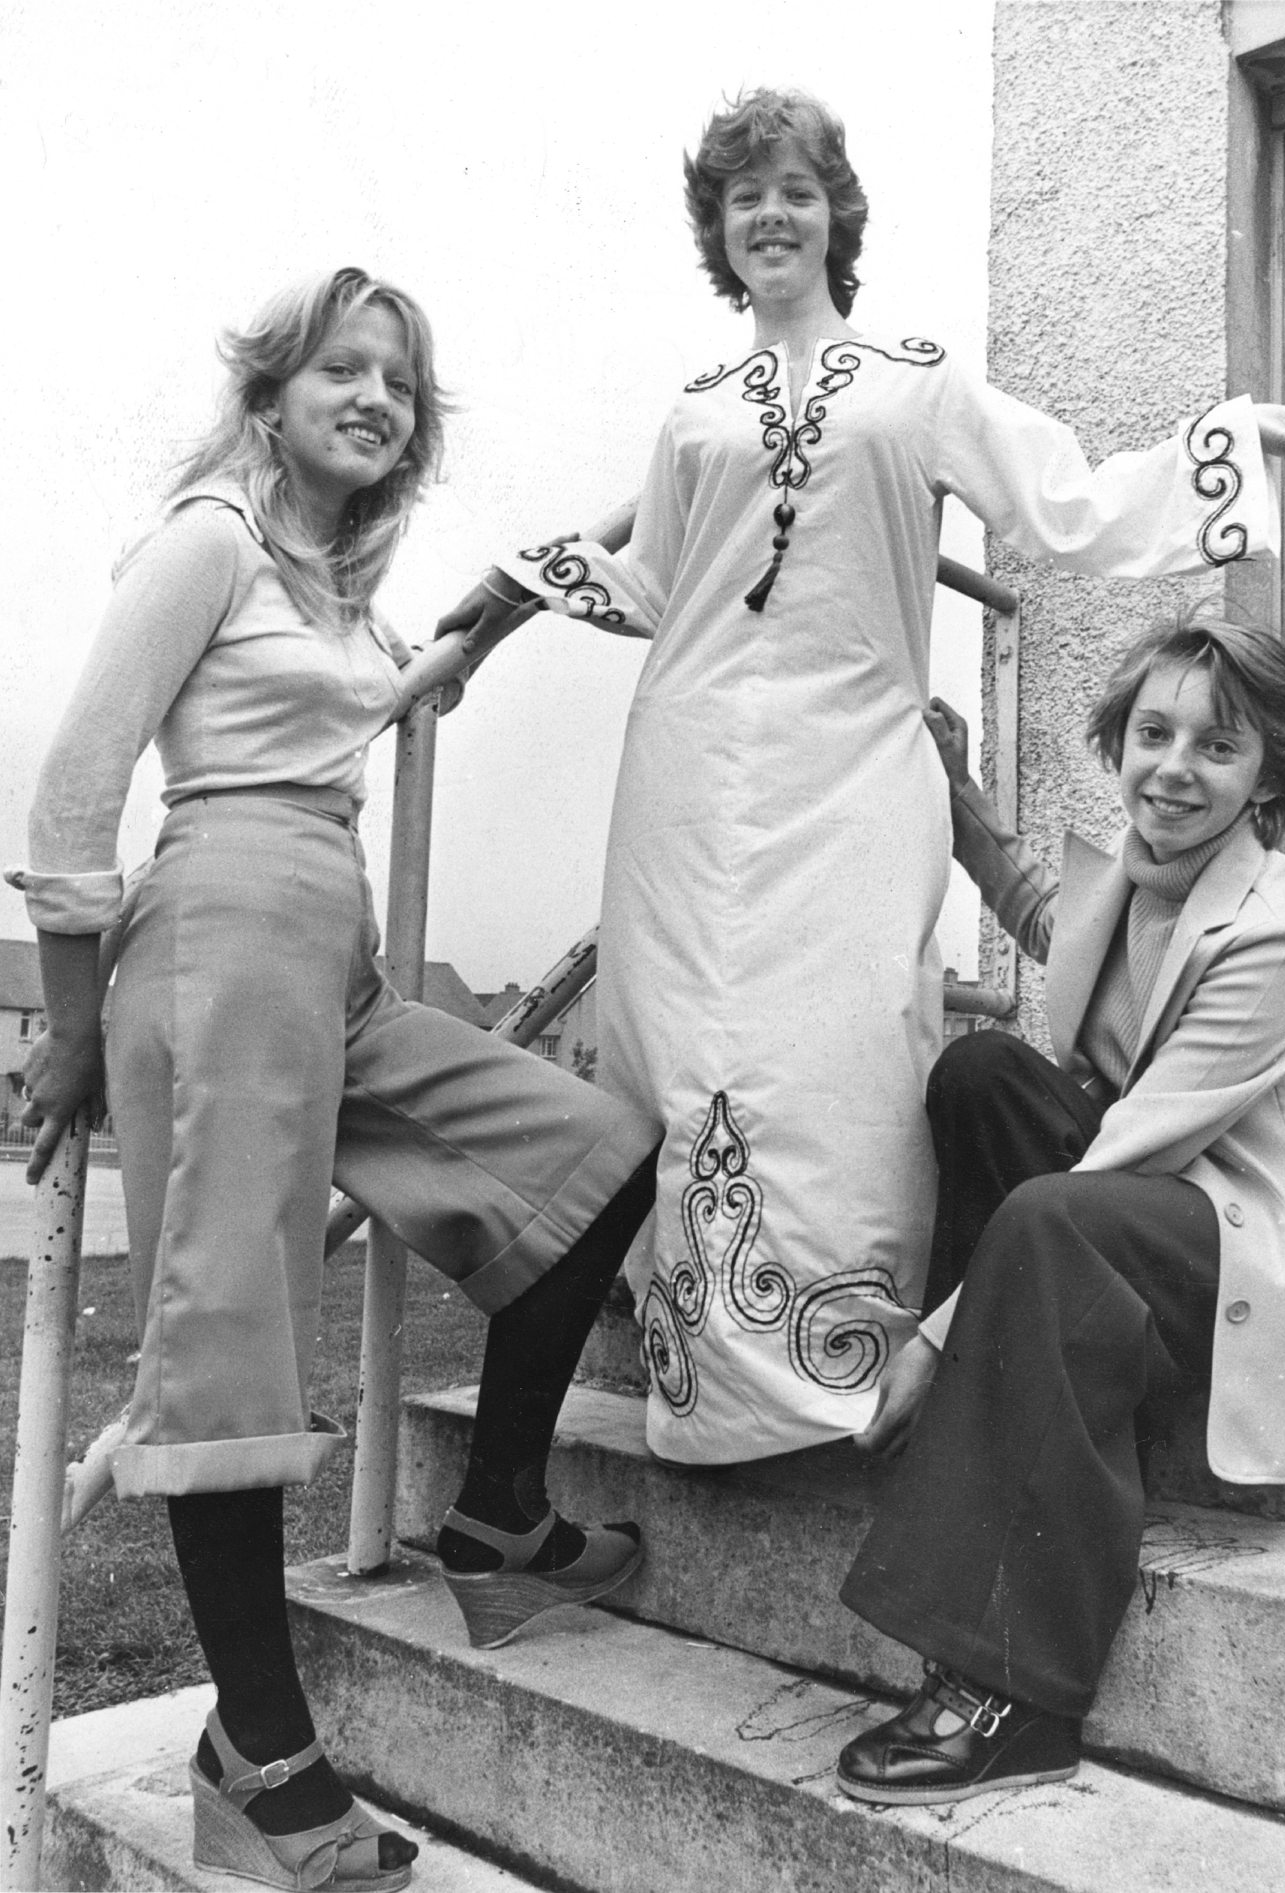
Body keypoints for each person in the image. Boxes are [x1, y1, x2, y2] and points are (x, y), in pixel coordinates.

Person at [437, 88, 1285, 1468]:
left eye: (797, 191)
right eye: (746, 198)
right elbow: (662, 579)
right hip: (687, 768)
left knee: (839, 1050)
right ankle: (718, 1399)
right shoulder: (691, 413)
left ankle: (844, 1371)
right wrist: (511, 587)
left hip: (857, 766)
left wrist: (1226, 450)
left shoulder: (916, 384)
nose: (772, 216)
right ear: (719, 232)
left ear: (836, 217)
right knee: (686, 1058)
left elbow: (1065, 502)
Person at [8, 268, 659, 1892]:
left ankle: (500, 1511)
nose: (373, 396)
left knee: (590, 1148)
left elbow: (402, 676)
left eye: (400, 382)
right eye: (341, 369)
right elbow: (73, 798)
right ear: (270, 392)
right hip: (221, 950)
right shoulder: (209, 541)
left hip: (342, 978)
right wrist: (75, 1024)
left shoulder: (332, 595)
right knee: (231, 1349)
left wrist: (524, 592)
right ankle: (260, 1754)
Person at [832, 608, 1285, 1807]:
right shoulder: (1137, 875)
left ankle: (1019, 1692)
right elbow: (1049, 928)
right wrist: (959, 806)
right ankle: (1000, 1408)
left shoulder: (1277, 935)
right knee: (985, 1074)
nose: (1174, 767)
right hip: (1167, 1210)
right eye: (1153, 732)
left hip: (1267, 1247)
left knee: (1056, 1218)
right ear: (1118, 739)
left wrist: (936, 1332)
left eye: (1219, 748)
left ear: (1269, 774)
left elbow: (1123, 1156)